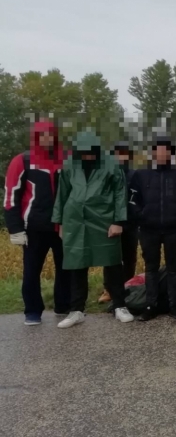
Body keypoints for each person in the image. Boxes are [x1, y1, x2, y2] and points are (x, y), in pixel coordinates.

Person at [52, 131, 133, 328]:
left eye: (91, 151)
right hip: (75, 221)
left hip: (104, 219)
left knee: (113, 263)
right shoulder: (69, 166)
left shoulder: (111, 165)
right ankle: (76, 310)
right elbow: (62, 194)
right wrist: (60, 223)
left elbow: (119, 193)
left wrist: (118, 221)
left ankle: (119, 305)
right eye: (83, 152)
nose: (87, 155)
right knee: (77, 264)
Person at [3, 120, 69, 326]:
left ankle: (63, 306)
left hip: (62, 226)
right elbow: (11, 195)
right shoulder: (22, 161)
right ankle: (32, 311)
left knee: (66, 268)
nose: (47, 139)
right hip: (34, 228)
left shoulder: (66, 159)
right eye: (42, 135)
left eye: (50, 134)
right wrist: (15, 228)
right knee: (31, 271)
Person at [129, 135, 176, 321]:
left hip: (173, 229)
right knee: (151, 268)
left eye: (166, 150)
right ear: (153, 153)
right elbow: (132, 200)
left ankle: (175, 306)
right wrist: (142, 215)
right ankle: (151, 306)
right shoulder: (141, 175)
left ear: (171, 153)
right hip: (148, 229)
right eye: (158, 150)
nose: (162, 153)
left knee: (174, 268)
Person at [98, 141, 139, 305]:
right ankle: (108, 290)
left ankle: (127, 287)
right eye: (117, 153)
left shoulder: (135, 175)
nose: (121, 157)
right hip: (111, 223)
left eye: (124, 153)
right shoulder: (106, 174)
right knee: (110, 258)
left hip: (131, 224)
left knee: (129, 258)